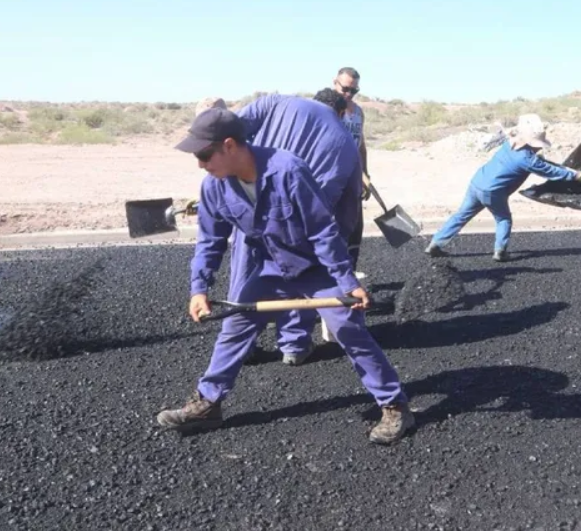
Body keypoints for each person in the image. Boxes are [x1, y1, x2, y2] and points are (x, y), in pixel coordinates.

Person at [156, 108, 415, 445]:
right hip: (271, 269)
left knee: (349, 331)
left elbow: (322, 231)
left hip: (316, 269)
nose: (200, 164)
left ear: (229, 145)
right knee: (234, 329)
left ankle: (395, 406)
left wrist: (347, 281)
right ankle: (208, 404)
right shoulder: (214, 187)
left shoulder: (287, 170)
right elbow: (210, 241)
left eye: (204, 155)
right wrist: (199, 288)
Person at [205, 93, 363, 365]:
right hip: (299, 222)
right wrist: (341, 250)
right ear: (339, 113)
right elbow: (346, 206)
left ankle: (242, 345)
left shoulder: (275, 102)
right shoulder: (344, 140)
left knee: (246, 268)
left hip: (251, 202)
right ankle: (294, 345)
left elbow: (231, 133)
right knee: (302, 273)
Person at [424, 114, 581, 262]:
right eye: (537, 144)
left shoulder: (509, 143)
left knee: (461, 215)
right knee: (503, 219)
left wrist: (537, 157)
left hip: (476, 183)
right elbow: (551, 171)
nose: (539, 147)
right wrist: (576, 176)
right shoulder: (527, 159)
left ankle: (435, 244)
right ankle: (500, 252)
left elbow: (530, 157)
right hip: (492, 192)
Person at [333, 67, 369, 263]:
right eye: (345, 89)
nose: (348, 94)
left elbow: (361, 145)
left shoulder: (358, 113)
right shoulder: (327, 110)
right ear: (335, 83)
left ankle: (350, 270)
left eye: (354, 90)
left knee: (355, 226)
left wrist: (365, 173)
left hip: (354, 177)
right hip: (334, 177)